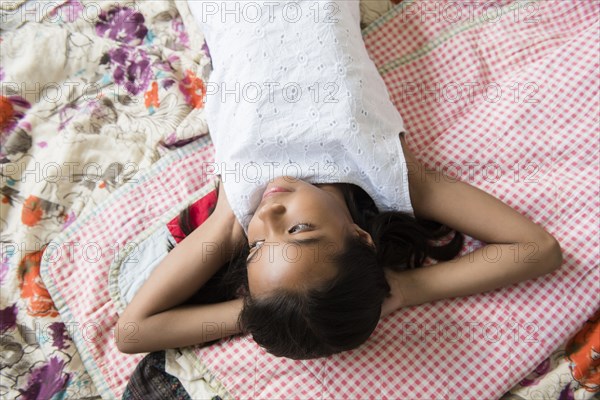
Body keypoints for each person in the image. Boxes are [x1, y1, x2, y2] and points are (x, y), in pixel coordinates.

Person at [115, 1, 563, 360]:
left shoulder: (241, 210)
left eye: (256, 248)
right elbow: (537, 249)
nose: (269, 214)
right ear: (361, 237)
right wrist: (405, 289)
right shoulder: (388, 174)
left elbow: (133, 331)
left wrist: (259, 313)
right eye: (298, 230)